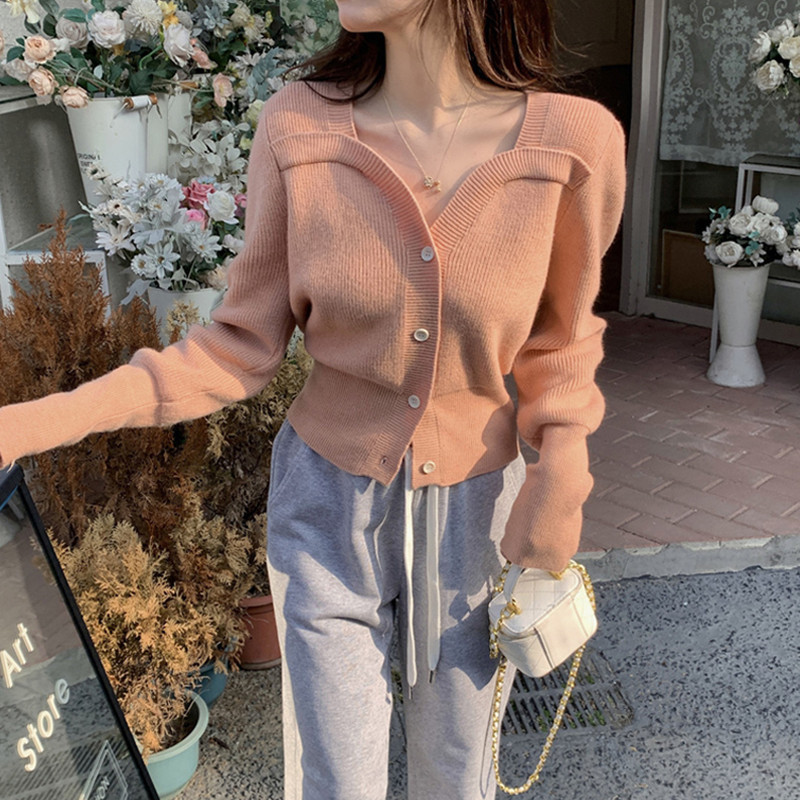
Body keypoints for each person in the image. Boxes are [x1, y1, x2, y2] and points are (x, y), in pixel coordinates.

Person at [0, 0, 627, 797]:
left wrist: (562, 468)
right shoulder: (297, 125)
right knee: (335, 779)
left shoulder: (573, 143)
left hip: (474, 516)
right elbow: (236, 346)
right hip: (326, 507)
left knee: (457, 773)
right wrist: (29, 423)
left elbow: (561, 343)